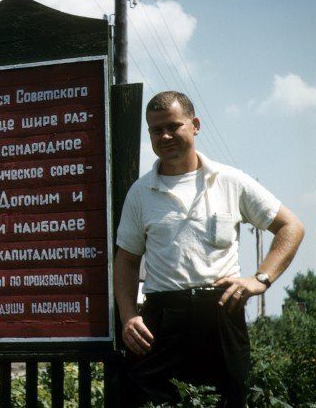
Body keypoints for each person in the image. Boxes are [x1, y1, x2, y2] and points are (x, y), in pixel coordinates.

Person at [114, 91, 304, 407]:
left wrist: (260, 279)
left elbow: (291, 227)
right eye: (156, 130)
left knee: (227, 401)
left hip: (221, 313)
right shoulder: (141, 192)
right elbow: (127, 259)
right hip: (162, 317)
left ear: (195, 125)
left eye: (173, 126)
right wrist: (128, 316)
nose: (165, 136)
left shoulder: (230, 181)